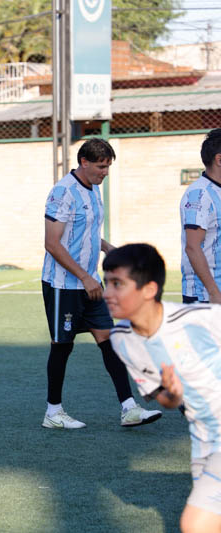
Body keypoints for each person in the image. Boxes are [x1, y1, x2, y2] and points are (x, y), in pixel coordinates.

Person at [41, 138, 161, 429]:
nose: (105, 172)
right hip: (63, 286)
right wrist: (84, 276)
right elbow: (52, 244)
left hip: (90, 284)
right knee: (62, 346)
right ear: (84, 162)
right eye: (101, 166)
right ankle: (53, 412)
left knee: (110, 342)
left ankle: (129, 408)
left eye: (107, 166)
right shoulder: (63, 192)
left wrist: (109, 249)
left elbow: (89, 232)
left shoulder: (94, 191)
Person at [104, 243, 221, 533]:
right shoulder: (121, 339)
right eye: (106, 282)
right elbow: (164, 399)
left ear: (149, 289)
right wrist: (173, 395)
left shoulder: (200, 319)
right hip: (203, 437)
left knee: (197, 524)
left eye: (118, 284)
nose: (107, 292)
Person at [181, 129, 221, 305]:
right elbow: (192, 246)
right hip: (205, 296)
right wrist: (214, 292)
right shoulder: (199, 195)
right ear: (219, 160)